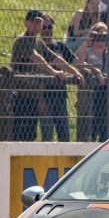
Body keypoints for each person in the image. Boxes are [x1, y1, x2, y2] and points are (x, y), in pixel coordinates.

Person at [11, 9, 84, 142]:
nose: (36, 26)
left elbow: (55, 59)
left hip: (33, 96)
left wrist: (75, 72)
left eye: (39, 23)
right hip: (21, 96)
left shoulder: (39, 42)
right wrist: (55, 72)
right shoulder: (22, 40)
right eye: (33, 22)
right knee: (20, 136)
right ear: (26, 23)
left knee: (30, 136)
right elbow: (37, 58)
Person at [71, 21, 109, 141]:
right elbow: (77, 60)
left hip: (107, 95)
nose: (101, 38)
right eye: (99, 35)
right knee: (90, 128)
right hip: (91, 94)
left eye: (104, 36)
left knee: (105, 128)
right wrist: (87, 41)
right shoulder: (88, 51)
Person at [38, 13, 74, 141]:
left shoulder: (60, 46)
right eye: (44, 27)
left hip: (60, 95)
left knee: (64, 135)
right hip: (45, 96)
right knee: (47, 135)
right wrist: (40, 98)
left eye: (49, 27)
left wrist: (83, 71)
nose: (47, 30)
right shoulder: (37, 47)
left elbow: (75, 61)